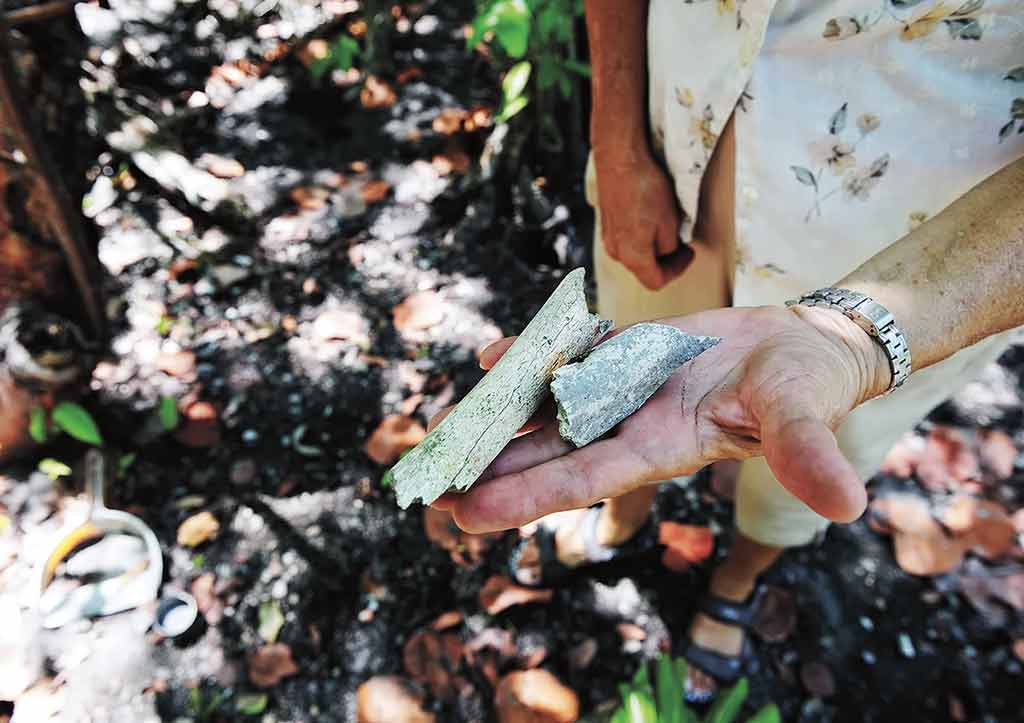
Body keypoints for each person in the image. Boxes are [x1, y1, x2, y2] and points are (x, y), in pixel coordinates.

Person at [432, 0, 1024, 700]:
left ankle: (738, 574)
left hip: (929, 236)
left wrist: (861, 339)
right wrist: (617, 133)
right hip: (681, 136)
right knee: (631, 375)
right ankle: (623, 515)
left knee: (812, 436)